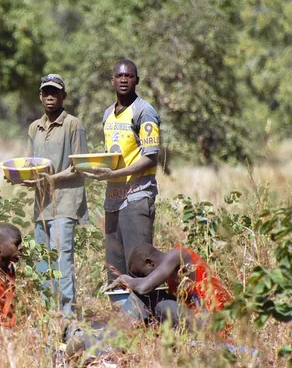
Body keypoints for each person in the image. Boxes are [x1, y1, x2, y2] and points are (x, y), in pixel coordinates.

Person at [84, 59, 160, 282]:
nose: (124, 80)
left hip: (137, 198)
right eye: (119, 76)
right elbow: (112, 156)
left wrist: (113, 174)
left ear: (137, 80)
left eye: (129, 76)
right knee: (115, 267)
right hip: (113, 200)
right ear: (112, 81)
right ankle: (122, 315)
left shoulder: (144, 112)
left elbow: (150, 158)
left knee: (139, 264)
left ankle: (147, 314)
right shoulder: (108, 114)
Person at [25, 73, 89, 317]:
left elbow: (80, 166)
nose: (50, 96)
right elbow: (30, 164)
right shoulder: (35, 127)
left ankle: (68, 315)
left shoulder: (74, 124)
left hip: (65, 202)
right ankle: (47, 312)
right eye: (46, 92)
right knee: (42, 259)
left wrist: (51, 179)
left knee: (62, 257)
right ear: (40, 97)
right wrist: (23, 178)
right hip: (42, 204)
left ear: (64, 96)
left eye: (55, 92)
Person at [105, 243, 233, 327]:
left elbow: (144, 287)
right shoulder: (172, 270)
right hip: (203, 322)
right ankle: (107, 341)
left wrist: (125, 279)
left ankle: (107, 345)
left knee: (145, 296)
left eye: (145, 275)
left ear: (149, 263)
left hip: (211, 325)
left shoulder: (177, 255)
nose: (148, 279)